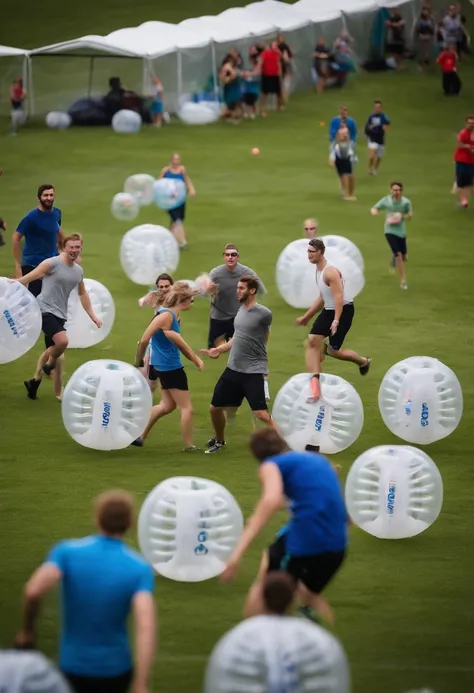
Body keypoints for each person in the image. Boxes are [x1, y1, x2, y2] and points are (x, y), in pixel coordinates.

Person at [15, 490, 156, 693]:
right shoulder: (139, 568)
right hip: (116, 670)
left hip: (73, 666)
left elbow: (33, 591)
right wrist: (141, 682)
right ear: (130, 522)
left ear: (97, 518)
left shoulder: (67, 552)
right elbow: (145, 625)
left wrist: (28, 632)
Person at [221, 428, 348, 625]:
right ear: (283, 444)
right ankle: (325, 629)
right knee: (308, 595)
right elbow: (319, 494)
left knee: (266, 586)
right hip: (337, 544)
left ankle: (249, 633)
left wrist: (236, 555)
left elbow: (271, 500)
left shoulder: (270, 465)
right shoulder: (317, 460)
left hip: (307, 539)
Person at [18, 234, 102, 401]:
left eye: (77, 247)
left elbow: (82, 293)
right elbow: (33, 275)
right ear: (64, 247)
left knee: (52, 350)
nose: (74, 250)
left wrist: (93, 316)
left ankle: (34, 381)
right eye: (71, 247)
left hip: (60, 314)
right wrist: (16, 283)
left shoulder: (78, 271)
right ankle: (50, 369)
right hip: (44, 310)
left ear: (81, 248)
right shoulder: (53, 263)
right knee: (62, 343)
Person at [202, 275, 274, 454]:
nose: (238, 291)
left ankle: (285, 444)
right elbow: (237, 337)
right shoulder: (240, 310)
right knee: (214, 408)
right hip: (233, 368)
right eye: (237, 288)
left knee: (261, 414)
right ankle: (219, 441)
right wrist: (219, 349)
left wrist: (262, 365)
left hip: (252, 371)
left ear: (252, 290)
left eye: (241, 288)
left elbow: (264, 338)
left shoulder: (263, 313)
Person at [295, 238, 371, 402]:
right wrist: (306, 317)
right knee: (312, 342)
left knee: (333, 351)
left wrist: (336, 320)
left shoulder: (330, 272)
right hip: (329, 310)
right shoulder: (318, 269)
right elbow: (323, 297)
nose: (308, 255)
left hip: (343, 311)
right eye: (307, 251)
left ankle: (363, 361)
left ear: (321, 252)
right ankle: (316, 391)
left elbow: (339, 296)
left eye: (312, 252)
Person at [132, 282, 204, 450]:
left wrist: (140, 360)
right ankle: (188, 446)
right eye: (191, 300)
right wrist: (196, 360)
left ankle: (139, 435)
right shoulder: (168, 316)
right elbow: (179, 344)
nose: (192, 304)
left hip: (160, 366)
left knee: (167, 406)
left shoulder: (167, 314)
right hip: (170, 367)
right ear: (183, 301)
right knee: (187, 408)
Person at [205, 244, 266, 350]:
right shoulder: (216, 273)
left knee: (240, 349)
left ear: (238, 257)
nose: (230, 257)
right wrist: (208, 289)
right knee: (214, 350)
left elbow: (260, 289)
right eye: (227, 255)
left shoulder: (246, 272)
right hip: (219, 317)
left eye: (233, 255)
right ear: (223, 256)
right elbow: (203, 293)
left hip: (238, 316)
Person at [13, 184, 64, 297]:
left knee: (53, 297)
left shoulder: (57, 213)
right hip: (33, 265)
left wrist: (64, 250)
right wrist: (18, 265)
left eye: (51, 195)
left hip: (52, 263)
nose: (49, 198)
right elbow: (16, 238)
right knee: (34, 299)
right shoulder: (31, 218)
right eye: (45, 195)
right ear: (38, 198)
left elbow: (57, 228)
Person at [370, 181, 413, 289]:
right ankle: (403, 280)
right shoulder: (386, 200)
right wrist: (374, 211)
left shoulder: (405, 203)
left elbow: (409, 215)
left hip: (401, 232)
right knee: (398, 255)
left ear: (401, 191)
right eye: (394, 190)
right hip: (389, 231)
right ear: (391, 190)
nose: (396, 192)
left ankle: (394, 258)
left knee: (403, 257)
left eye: (398, 190)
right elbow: (375, 208)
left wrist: (404, 217)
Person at [138, 273, 175, 393]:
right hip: (154, 338)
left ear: (172, 286)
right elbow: (141, 302)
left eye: (166, 286)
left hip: (168, 341)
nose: (164, 289)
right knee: (144, 373)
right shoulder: (155, 297)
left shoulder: (176, 298)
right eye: (161, 287)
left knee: (157, 377)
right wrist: (145, 299)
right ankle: (142, 396)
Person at [159, 153, 196, 249]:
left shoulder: (182, 170)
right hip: (169, 201)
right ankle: (182, 242)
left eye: (177, 159)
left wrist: (191, 189)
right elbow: (159, 183)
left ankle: (168, 240)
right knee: (177, 221)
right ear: (171, 160)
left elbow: (186, 179)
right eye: (174, 159)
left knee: (176, 220)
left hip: (180, 200)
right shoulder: (165, 171)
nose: (176, 162)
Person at [329, 127, 356, 201]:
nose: (345, 136)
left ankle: (350, 194)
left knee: (351, 176)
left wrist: (354, 160)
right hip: (340, 162)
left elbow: (352, 154)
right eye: (342, 134)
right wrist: (331, 161)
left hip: (348, 161)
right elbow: (332, 153)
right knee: (345, 176)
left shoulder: (351, 143)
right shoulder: (335, 144)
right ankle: (346, 194)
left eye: (346, 134)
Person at [453, 115, 474, 209]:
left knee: (469, 181)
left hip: (471, 161)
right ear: (466, 123)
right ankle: (463, 199)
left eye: (472, 123)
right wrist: (469, 147)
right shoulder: (462, 133)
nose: (471, 125)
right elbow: (459, 144)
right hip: (461, 159)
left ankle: (464, 201)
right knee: (462, 180)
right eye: (469, 123)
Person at [365, 100, 390, 175]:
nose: (377, 109)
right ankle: (369, 168)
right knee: (372, 156)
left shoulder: (384, 117)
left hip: (380, 139)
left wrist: (383, 128)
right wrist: (370, 129)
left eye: (379, 107)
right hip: (372, 138)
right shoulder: (371, 116)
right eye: (376, 107)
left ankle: (375, 169)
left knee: (379, 156)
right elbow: (368, 127)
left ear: (381, 108)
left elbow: (386, 125)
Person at [259, 41, 283, 117]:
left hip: (275, 75)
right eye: (274, 45)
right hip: (266, 75)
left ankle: (279, 106)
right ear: (271, 46)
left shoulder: (277, 53)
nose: (275, 47)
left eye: (276, 45)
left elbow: (279, 61)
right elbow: (261, 61)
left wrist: (280, 72)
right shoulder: (265, 53)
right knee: (265, 93)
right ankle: (263, 110)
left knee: (278, 92)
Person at [219, 56, 243, 123]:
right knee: (223, 114)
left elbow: (234, 76)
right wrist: (224, 70)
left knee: (236, 109)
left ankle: (235, 114)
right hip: (228, 93)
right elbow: (223, 79)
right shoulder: (223, 70)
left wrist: (229, 69)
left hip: (235, 93)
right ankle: (230, 113)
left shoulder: (235, 70)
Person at [242, 47, 261, 119]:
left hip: (253, 87)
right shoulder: (249, 66)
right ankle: (247, 112)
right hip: (247, 86)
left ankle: (254, 112)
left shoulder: (258, 65)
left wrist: (250, 74)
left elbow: (257, 74)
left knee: (253, 101)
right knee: (246, 100)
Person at [277, 34, 293, 102]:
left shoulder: (286, 46)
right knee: (282, 81)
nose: (282, 39)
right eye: (281, 38)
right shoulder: (278, 47)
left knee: (287, 80)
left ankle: (285, 95)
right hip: (281, 65)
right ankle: (283, 95)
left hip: (287, 64)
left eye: (283, 38)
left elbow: (290, 55)